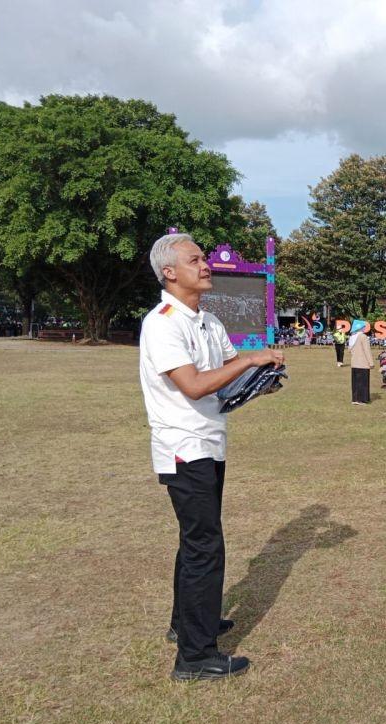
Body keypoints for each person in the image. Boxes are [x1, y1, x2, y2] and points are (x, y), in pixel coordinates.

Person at [139, 233, 284, 681]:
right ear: (169, 272)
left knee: (196, 541)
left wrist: (262, 376)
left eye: (204, 258)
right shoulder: (163, 322)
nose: (206, 265)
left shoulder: (207, 320)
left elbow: (226, 374)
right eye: (195, 259)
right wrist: (252, 360)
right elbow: (195, 385)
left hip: (209, 442)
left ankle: (187, 623)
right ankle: (195, 657)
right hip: (184, 447)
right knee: (205, 547)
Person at [348, 320, 372, 404]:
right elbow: (367, 350)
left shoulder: (352, 337)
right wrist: (371, 362)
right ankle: (362, 399)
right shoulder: (363, 336)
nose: (365, 328)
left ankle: (355, 399)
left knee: (355, 382)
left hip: (354, 363)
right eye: (364, 326)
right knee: (363, 382)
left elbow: (349, 350)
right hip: (363, 363)